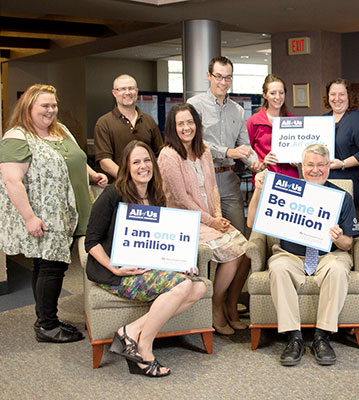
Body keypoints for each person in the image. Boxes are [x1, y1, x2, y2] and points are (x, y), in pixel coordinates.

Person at [85, 140, 207, 377]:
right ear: (126, 167)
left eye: (147, 160)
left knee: (198, 287)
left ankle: (130, 331)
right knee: (182, 286)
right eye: (136, 162)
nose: (143, 166)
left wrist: (181, 262)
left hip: (147, 269)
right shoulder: (112, 194)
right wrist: (116, 268)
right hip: (117, 273)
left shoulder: (156, 196)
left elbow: (160, 242)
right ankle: (145, 347)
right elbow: (91, 242)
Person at [0, 84, 107, 343]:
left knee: (46, 266)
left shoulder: (60, 130)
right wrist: (29, 217)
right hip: (46, 214)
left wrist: (93, 175)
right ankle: (47, 325)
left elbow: (74, 159)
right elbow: (11, 180)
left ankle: (47, 318)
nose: (51, 110)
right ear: (29, 108)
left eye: (53, 105)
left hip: (73, 209)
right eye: (44, 106)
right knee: (52, 267)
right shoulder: (17, 136)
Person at [246, 144, 359, 367]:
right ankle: (294, 337)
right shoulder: (286, 190)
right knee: (278, 269)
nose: (315, 170)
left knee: (338, 269)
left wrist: (338, 238)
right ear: (301, 167)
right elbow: (251, 222)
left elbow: (348, 243)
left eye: (321, 165)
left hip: (328, 256)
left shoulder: (341, 197)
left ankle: (322, 337)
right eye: (310, 165)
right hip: (291, 255)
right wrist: (259, 190)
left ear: (329, 167)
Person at [158, 103, 250, 335]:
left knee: (247, 251)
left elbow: (213, 189)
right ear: (173, 127)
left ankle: (231, 305)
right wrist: (212, 221)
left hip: (210, 218)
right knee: (232, 252)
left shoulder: (204, 150)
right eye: (181, 124)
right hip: (185, 222)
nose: (186, 127)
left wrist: (218, 216)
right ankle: (215, 305)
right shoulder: (169, 155)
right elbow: (181, 200)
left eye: (190, 122)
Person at [187, 56, 262, 236]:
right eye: (219, 76)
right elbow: (194, 141)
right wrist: (228, 151)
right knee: (206, 236)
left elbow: (244, 145)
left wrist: (255, 162)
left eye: (228, 77)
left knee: (239, 236)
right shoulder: (194, 105)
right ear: (209, 76)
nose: (223, 82)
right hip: (201, 179)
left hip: (229, 179)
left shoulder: (237, 109)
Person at [94, 74, 163, 180]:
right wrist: (128, 180)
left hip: (147, 187)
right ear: (114, 93)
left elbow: (158, 155)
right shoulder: (103, 123)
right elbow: (104, 161)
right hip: (118, 188)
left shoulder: (149, 121)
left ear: (136, 91)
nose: (127, 92)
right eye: (122, 89)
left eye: (131, 88)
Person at [323, 78, 359, 213]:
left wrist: (343, 163)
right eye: (333, 94)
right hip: (325, 187)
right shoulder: (322, 120)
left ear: (349, 96)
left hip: (352, 185)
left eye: (341, 94)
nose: (337, 98)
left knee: (350, 231)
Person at [247, 74, 298, 180]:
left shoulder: (293, 121)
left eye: (281, 93)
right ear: (265, 95)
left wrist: (297, 159)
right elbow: (247, 152)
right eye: (273, 93)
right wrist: (261, 163)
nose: (278, 97)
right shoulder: (254, 122)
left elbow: (301, 150)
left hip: (290, 179)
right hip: (264, 178)